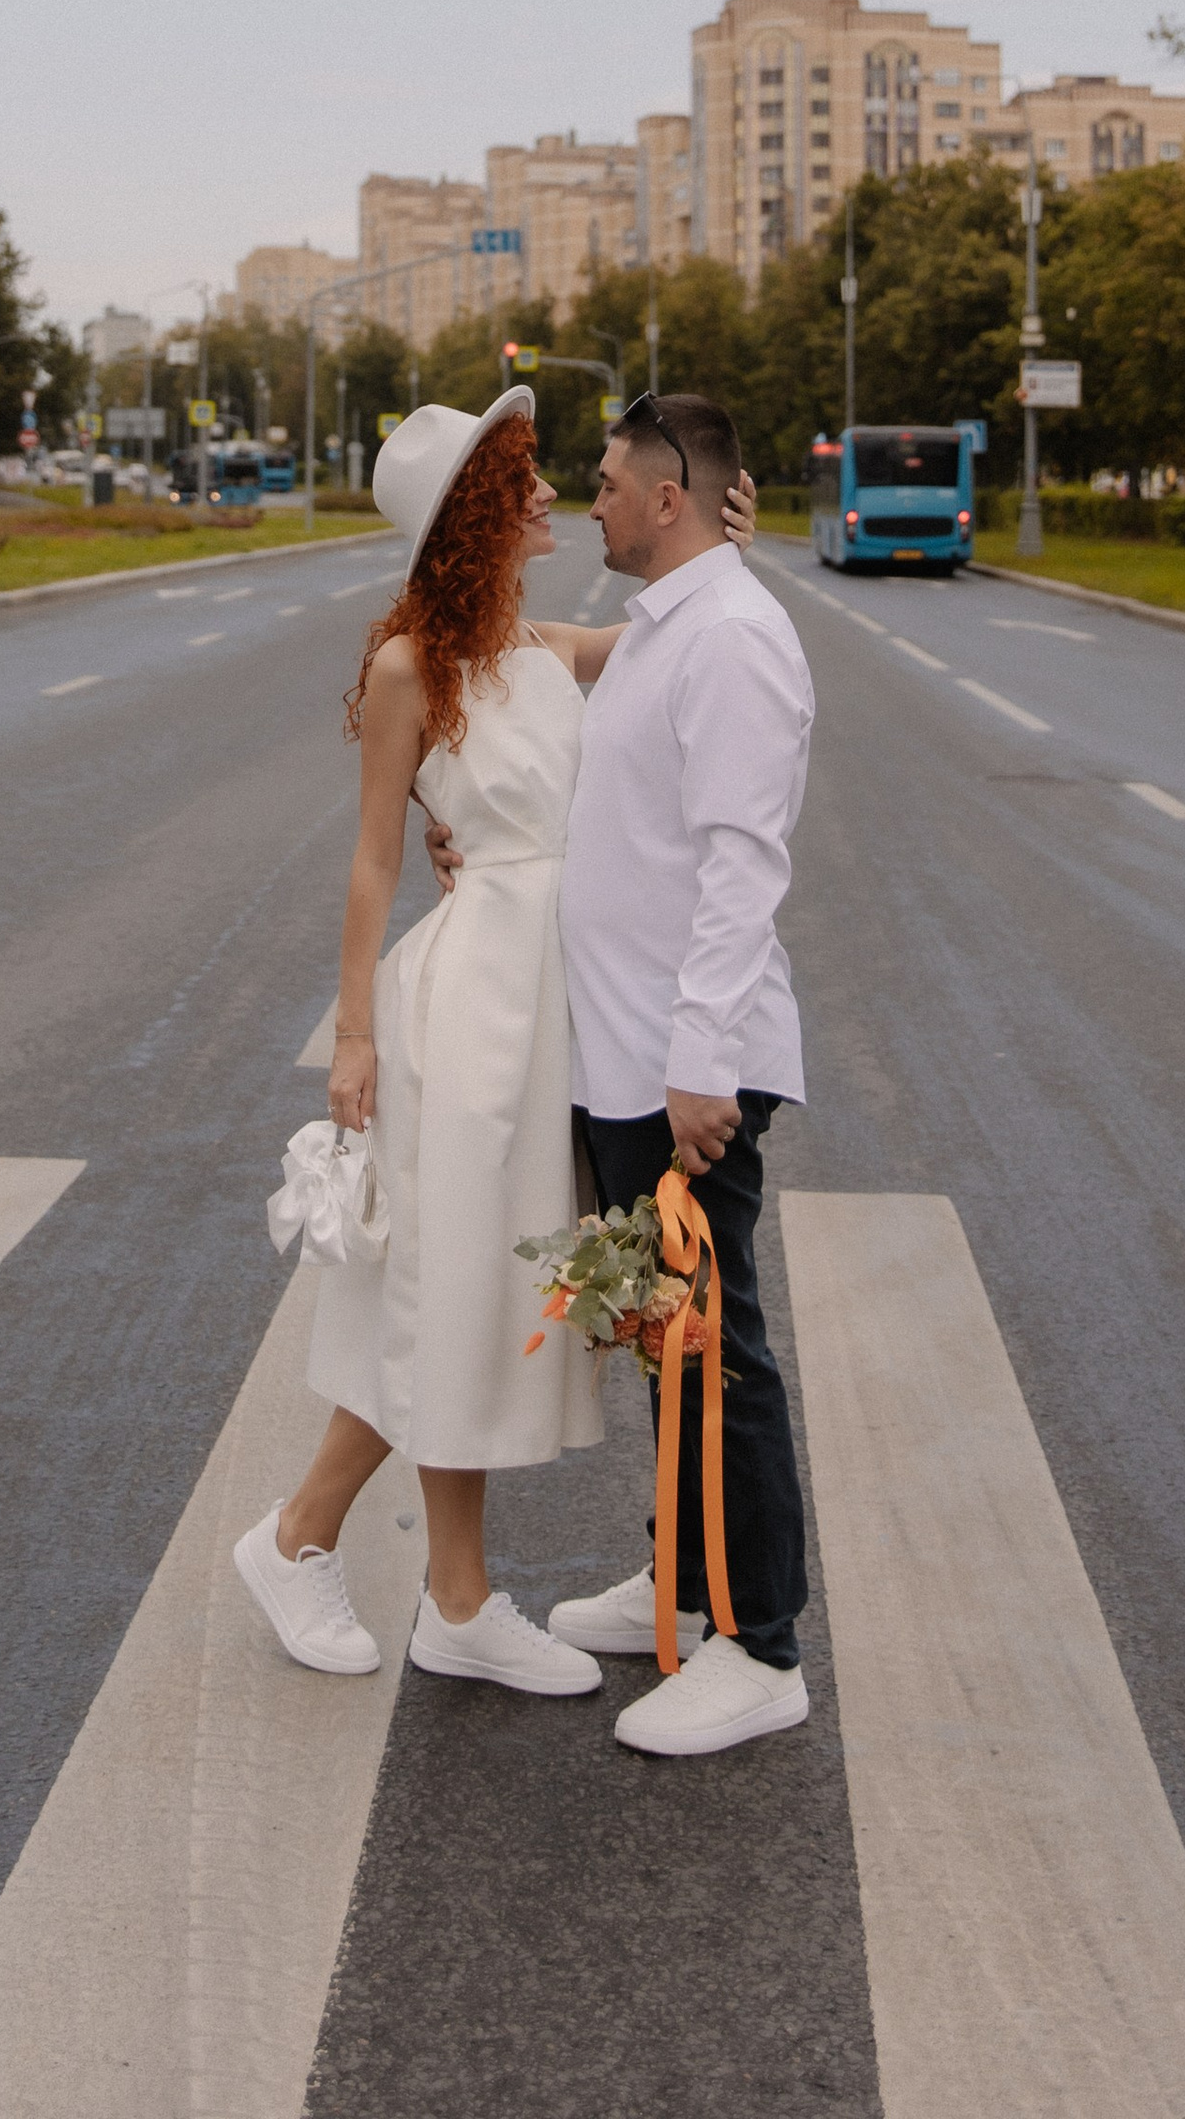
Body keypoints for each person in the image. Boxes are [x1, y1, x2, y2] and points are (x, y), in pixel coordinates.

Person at [234, 387, 760, 1699]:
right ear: (473, 514)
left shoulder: (546, 648)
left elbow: (674, 641)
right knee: (452, 1285)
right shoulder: (417, 667)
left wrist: (735, 553)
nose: (547, 497)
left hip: (558, 1006)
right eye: (519, 481)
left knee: (469, 1295)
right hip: (466, 1011)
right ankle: (321, 1546)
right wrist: (351, 1034)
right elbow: (367, 864)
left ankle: (435, 1593)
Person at [541, 391, 817, 1757]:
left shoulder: (736, 639)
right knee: (668, 1338)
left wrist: (704, 1065)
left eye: (602, 482)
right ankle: (684, 1577)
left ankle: (758, 1646)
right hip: (628, 1053)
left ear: (666, 498)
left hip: (683, 1064)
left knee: (722, 1356)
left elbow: (741, 861)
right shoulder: (668, 626)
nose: (587, 499)